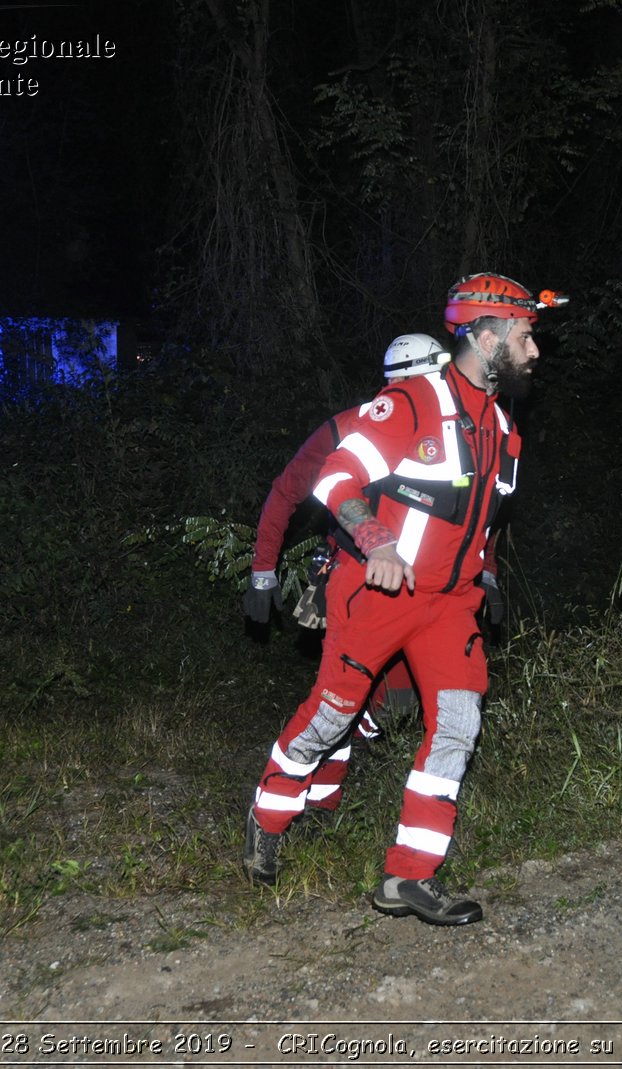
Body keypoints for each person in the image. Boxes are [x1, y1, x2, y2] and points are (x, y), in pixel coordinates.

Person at [243, 272, 561, 926]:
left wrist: (488, 580)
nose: (534, 352)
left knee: (459, 725)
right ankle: (269, 810)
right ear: (487, 334)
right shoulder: (410, 403)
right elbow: (335, 475)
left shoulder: (506, 431)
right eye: (526, 337)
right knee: (332, 717)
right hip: (376, 591)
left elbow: (480, 523)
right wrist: (373, 533)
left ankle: (409, 876)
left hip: (449, 605)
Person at [242, 334, 455, 825]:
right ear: (400, 380)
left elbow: (476, 513)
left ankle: (343, 743)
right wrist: (261, 573)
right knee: (339, 698)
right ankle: (317, 805)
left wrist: (483, 572)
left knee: (395, 705)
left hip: (423, 591)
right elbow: (285, 493)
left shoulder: (451, 434)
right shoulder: (348, 428)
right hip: (357, 580)